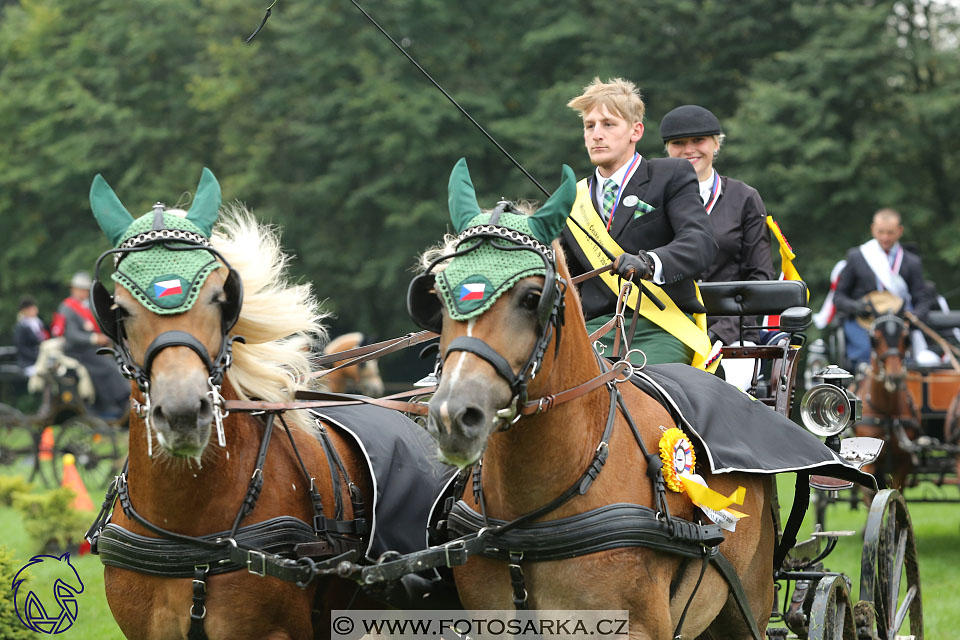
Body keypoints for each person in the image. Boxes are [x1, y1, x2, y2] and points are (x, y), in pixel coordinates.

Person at [560, 78, 719, 369]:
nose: (596, 134)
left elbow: (700, 242)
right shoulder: (573, 197)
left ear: (636, 131)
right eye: (589, 125)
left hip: (661, 328)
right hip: (593, 332)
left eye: (608, 124)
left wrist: (650, 262)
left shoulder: (670, 174)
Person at [660, 105, 775, 345]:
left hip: (734, 334)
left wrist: (722, 332)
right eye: (678, 143)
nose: (688, 150)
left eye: (698, 140)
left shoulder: (745, 198)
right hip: (667, 331)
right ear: (668, 149)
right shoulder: (651, 199)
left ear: (716, 144)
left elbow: (760, 276)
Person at [833, 209, 934, 370]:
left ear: (899, 231)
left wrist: (913, 318)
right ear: (873, 229)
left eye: (890, 233)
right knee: (865, 357)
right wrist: (858, 307)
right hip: (864, 322)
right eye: (881, 232)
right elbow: (839, 297)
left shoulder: (911, 262)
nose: (885, 238)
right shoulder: (857, 257)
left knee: (903, 359)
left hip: (898, 322)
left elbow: (922, 299)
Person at [54, 271, 129, 419]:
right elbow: (72, 335)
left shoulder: (84, 308)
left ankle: (119, 402)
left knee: (114, 362)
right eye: (81, 289)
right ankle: (113, 404)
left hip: (90, 351)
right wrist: (94, 339)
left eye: (85, 290)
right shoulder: (67, 308)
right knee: (107, 368)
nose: (84, 293)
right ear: (73, 289)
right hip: (77, 352)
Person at [13, 296, 48, 377]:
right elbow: (22, 348)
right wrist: (38, 357)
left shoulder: (38, 323)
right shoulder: (21, 326)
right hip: (28, 362)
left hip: (41, 358)